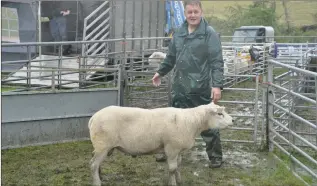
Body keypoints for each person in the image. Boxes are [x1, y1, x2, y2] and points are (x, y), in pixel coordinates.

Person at [151, 0, 225, 168]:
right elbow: (170, 57)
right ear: (185, 13)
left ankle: (215, 157)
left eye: (195, 12)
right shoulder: (179, 32)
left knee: (207, 123)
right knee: (173, 122)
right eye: (189, 12)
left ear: (201, 12)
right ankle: (169, 152)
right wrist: (160, 72)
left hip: (200, 88)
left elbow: (216, 62)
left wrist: (217, 85)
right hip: (180, 87)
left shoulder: (209, 33)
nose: (192, 15)